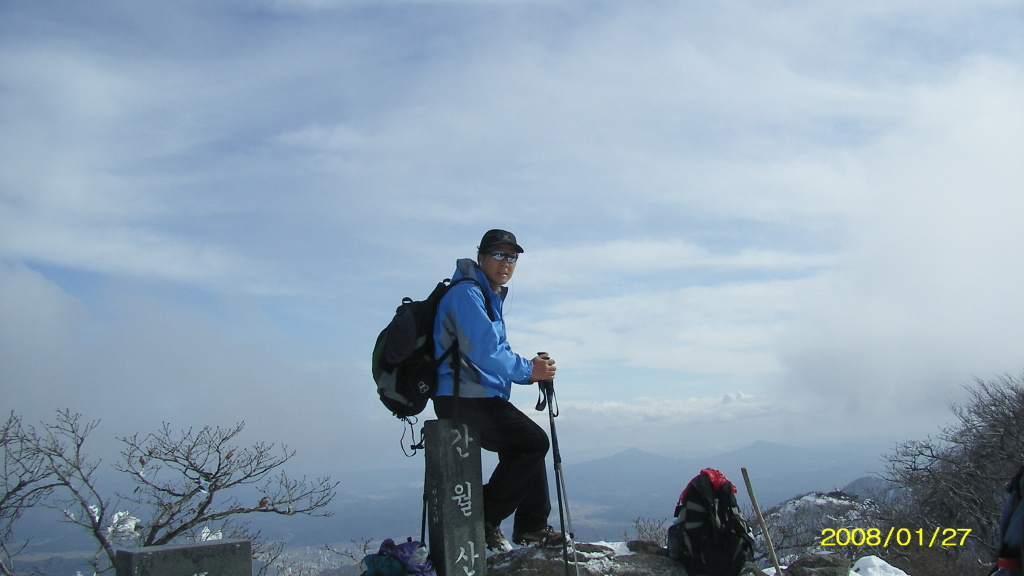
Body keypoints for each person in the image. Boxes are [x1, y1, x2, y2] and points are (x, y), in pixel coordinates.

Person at [432, 229, 564, 552]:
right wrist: (530, 371)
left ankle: (532, 526)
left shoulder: (486, 296)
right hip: (462, 399)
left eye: (512, 256)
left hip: (475, 397)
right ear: (481, 257)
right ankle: (483, 517)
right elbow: (486, 351)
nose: (506, 262)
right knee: (534, 442)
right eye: (498, 254)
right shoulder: (466, 294)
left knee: (525, 444)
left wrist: (530, 372)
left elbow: (492, 353)